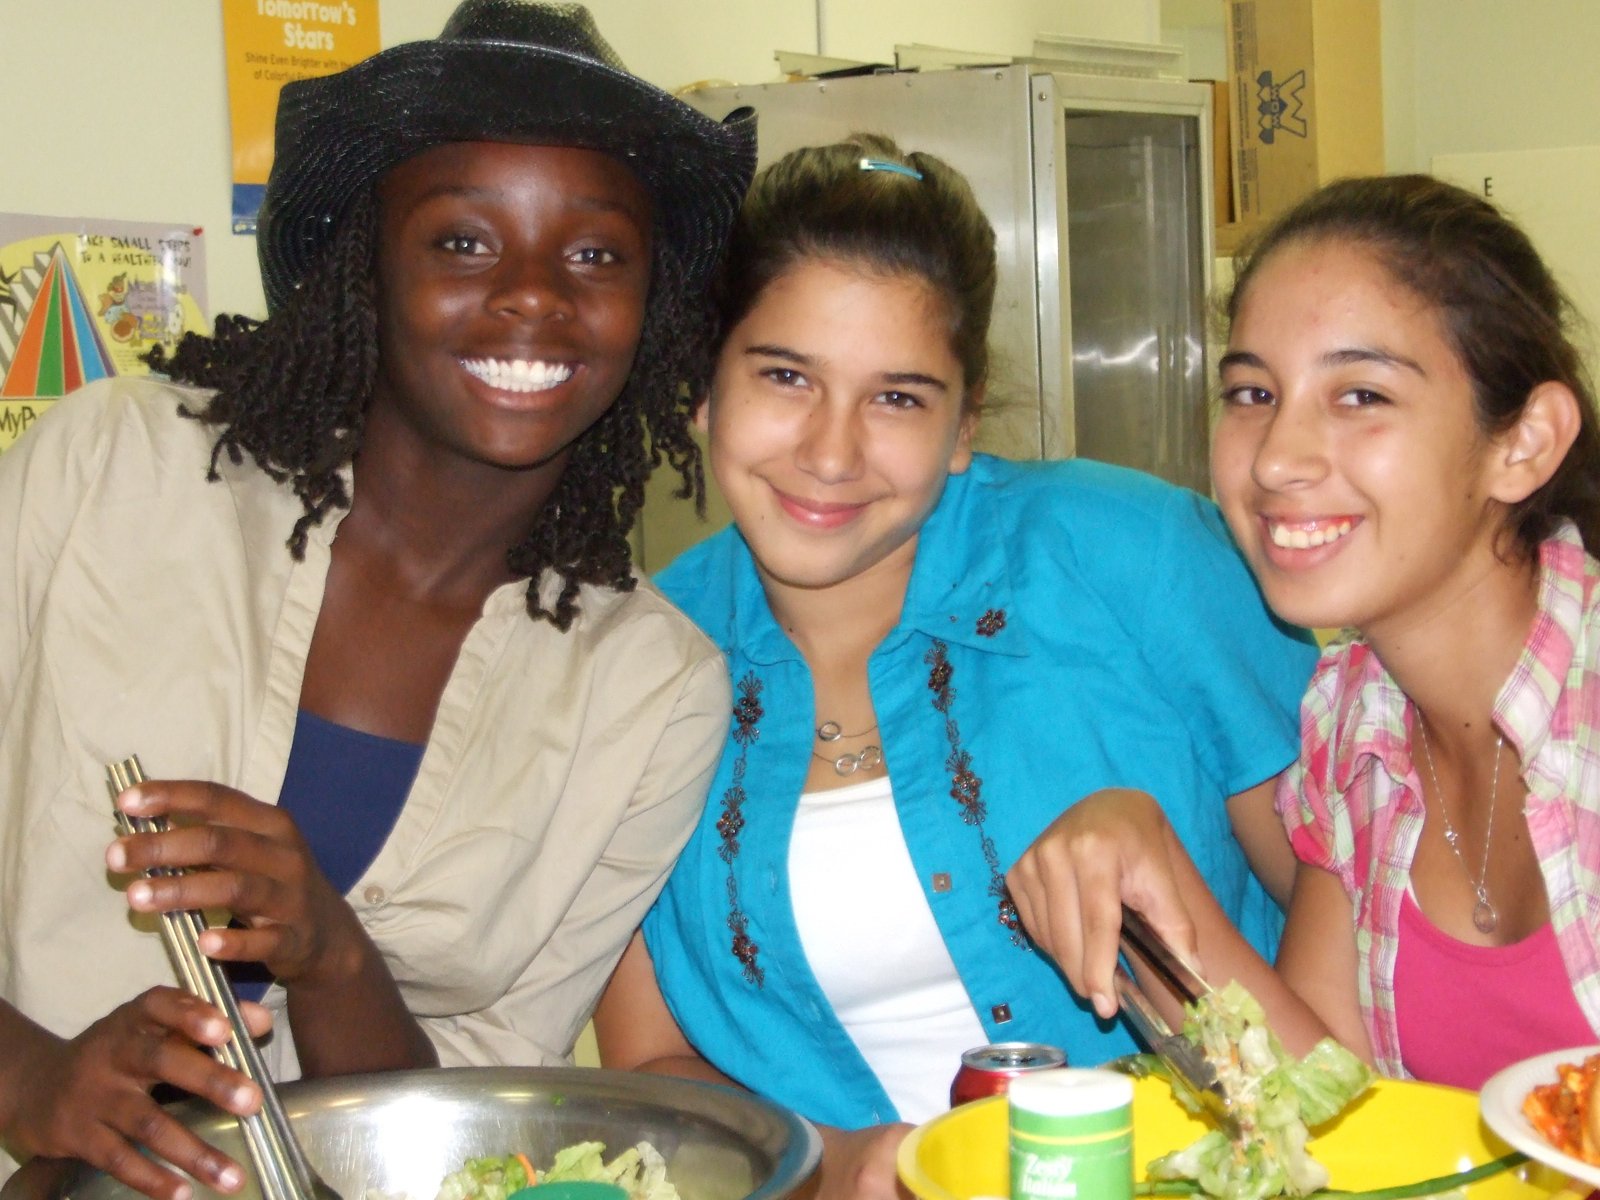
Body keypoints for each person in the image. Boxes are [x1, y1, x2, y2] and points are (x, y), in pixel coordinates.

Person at [0, 3, 755, 1197]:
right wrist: (29, 1078)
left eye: (596, 255)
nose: (533, 295)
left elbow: (485, 1136)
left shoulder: (649, 693)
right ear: (368, 266)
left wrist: (332, 952)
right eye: (462, 240)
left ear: (651, 306)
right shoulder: (107, 472)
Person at [593, 133, 1319, 1197]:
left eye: (898, 397)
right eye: (786, 376)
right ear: (701, 387)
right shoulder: (631, 669)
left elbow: (1352, 930)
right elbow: (650, 1065)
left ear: (964, 422)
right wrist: (838, 1162)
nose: (830, 452)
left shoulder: (1135, 555)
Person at [1037, 173, 1600, 1091]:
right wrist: (1152, 866)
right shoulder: (1352, 714)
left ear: (1525, 442)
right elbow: (1330, 1107)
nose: (1275, 459)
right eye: (1252, 393)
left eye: (1361, 395)